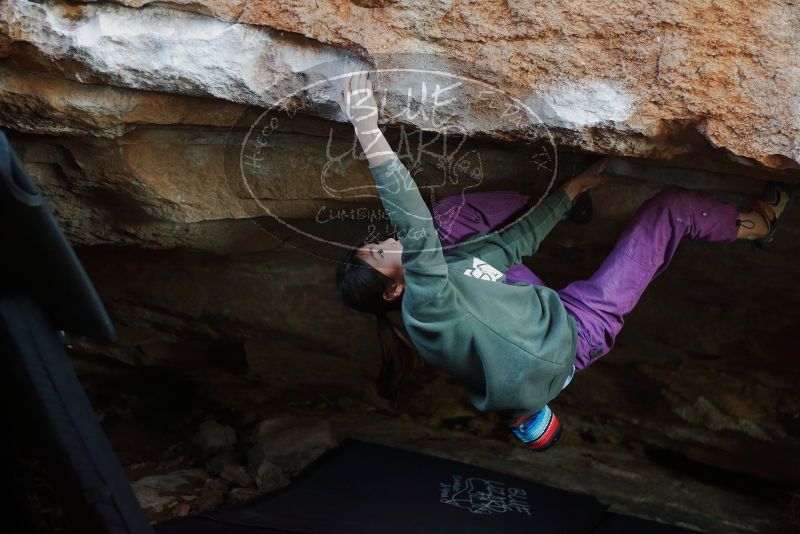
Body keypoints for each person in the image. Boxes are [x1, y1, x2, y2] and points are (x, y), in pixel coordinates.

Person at [333, 71, 795, 451]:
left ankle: (526, 399)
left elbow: (511, 244)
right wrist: (367, 129)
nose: (384, 241)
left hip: (528, 316)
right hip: (576, 335)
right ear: (394, 289)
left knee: (450, 223)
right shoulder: (423, 307)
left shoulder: (440, 276)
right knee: (671, 208)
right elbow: (411, 222)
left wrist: (571, 191)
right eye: (378, 253)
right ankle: (760, 226)